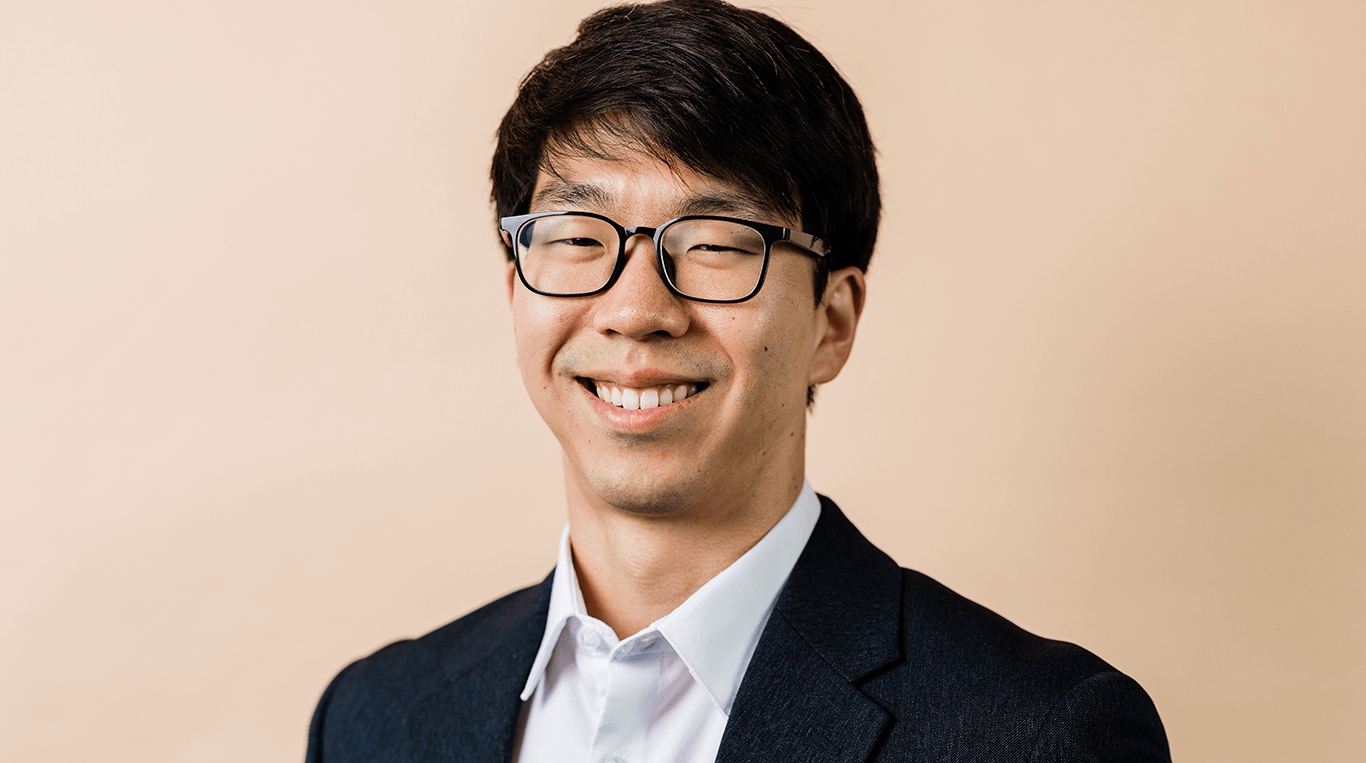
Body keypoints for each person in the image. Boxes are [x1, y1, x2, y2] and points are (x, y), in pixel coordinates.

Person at [305, 1, 1171, 760]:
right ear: (515, 288)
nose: (634, 308)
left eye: (716, 241)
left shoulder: (1038, 734)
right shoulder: (376, 719)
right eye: (577, 236)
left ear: (833, 322)